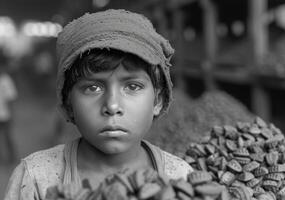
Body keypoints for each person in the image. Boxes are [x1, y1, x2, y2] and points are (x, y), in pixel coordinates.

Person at [4, 9, 193, 200]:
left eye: (133, 86)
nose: (112, 106)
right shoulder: (36, 178)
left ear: (158, 100)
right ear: (69, 103)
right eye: (93, 88)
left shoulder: (181, 177)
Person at [0, 50, 17, 164]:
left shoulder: (6, 80)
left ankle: (12, 157)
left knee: (7, 137)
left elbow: (11, 99)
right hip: (4, 114)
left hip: (4, 115)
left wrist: (11, 114)